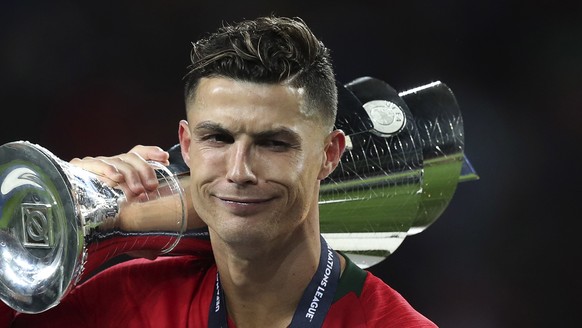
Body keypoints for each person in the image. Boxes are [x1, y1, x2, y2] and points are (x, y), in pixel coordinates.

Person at [1, 15, 437, 327]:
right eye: (218, 139)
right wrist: (89, 225)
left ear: (329, 154)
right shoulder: (126, 302)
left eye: (273, 143)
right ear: (186, 145)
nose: (239, 170)